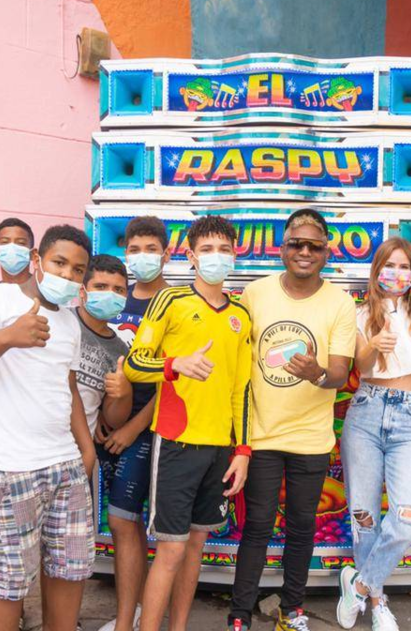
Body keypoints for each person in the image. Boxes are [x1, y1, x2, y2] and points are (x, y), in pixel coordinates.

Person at [0, 225, 96, 631]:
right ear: (37, 260)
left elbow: (68, 387)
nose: (67, 275)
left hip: (64, 465)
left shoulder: (70, 323)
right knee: (9, 581)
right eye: (59, 263)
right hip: (5, 467)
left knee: (70, 570)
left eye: (77, 270)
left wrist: (86, 450)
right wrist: (8, 337)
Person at [229, 209, 357, 631]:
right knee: (258, 526)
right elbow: (237, 357)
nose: (304, 251)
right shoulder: (255, 293)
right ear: (281, 249)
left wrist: (317, 373)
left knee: (302, 527)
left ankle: (292, 609)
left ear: (326, 252)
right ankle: (239, 614)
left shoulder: (340, 302)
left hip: (311, 438)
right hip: (260, 434)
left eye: (313, 245)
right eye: (296, 244)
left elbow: (339, 373)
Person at [123, 215, 252, 631]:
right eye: (207, 249)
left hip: (220, 450)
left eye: (224, 249)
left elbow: (241, 390)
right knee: (172, 550)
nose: (216, 257)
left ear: (235, 255)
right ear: (192, 256)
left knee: (196, 546)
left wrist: (242, 451)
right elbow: (134, 364)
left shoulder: (241, 315)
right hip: (176, 444)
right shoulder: (170, 301)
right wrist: (174, 365)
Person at [335, 237, 411, 631]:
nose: (396, 273)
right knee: (364, 519)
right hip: (366, 411)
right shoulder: (360, 313)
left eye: (404, 266)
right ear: (376, 271)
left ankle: (359, 585)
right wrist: (374, 344)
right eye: (388, 265)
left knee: (407, 520)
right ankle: (378, 602)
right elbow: (358, 365)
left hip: (410, 416)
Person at [97, 216, 173, 631]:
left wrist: (133, 429)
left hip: (148, 430)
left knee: (125, 519)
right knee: (124, 525)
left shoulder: (175, 303)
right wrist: (99, 416)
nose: (141, 257)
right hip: (107, 426)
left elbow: (173, 381)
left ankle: (130, 620)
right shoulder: (114, 297)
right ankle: (133, 612)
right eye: (134, 249)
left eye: (150, 249)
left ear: (167, 253)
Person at [74, 254, 135, 446]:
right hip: (32, 442)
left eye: (118, 290)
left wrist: (124, 393)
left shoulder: (120, 351)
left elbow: (114, 420)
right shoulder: (59, 322)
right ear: (82, 291)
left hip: (79, 448)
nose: (109, 294)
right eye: (100, 287)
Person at [0, 217, 36, 284]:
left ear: (32, 254)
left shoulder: (44, 289)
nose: (12, 248)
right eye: (5, 242)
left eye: (21, 243)